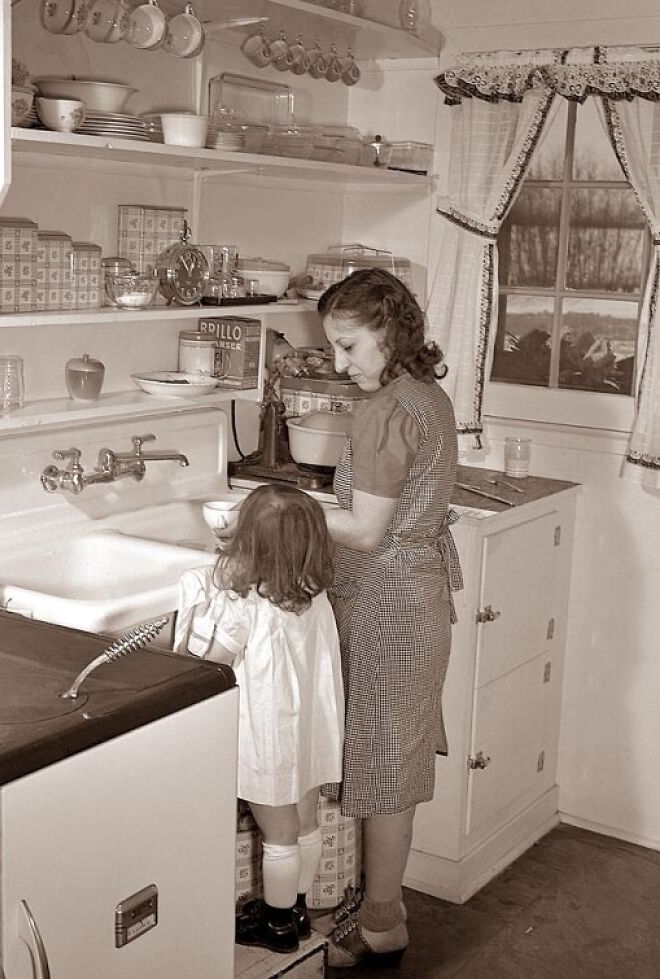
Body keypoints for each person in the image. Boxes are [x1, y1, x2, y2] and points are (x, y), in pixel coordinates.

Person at [315, 268, 463, 968]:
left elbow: (367, 530)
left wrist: (292, 508)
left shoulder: (383, 409)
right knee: (390, 765)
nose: (341, 364)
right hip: (417, 593)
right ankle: (382, 913)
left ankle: (378, 927)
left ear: (387, 331)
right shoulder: (424, 393)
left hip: (387, 601)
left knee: (383, 771)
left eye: (348, 346)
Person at [173, 483, 344, 955]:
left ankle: (276, 924)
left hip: (269, 736)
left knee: (279, 836)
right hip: (309, 731)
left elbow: (213, 666)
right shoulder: (313, 593)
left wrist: (195, 625)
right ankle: (298, 909)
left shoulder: (243, 604)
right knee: (306, 822)